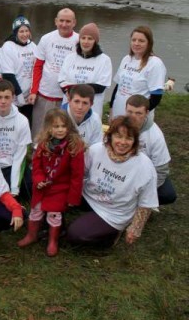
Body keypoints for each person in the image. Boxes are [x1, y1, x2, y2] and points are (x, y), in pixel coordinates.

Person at [67, 116, 158, 247]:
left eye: (128, 138)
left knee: (75, 235)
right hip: (89, 196)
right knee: (56, 197)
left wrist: (135, 228)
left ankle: (111, 237)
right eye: (118, 136)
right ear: (110, 136)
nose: (122, 142)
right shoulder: (97, 150)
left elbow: (146, 203)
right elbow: (79, 173)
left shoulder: (144, 166)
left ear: (135, 141)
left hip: (113, 212)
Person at [17, 109, 85, 256]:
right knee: (36, 211)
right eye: (56, 126)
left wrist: (73, 197)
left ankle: (53, 241)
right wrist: (39, 180)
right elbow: (37, 166)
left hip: (60, 188)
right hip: (42, 188)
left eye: (63, 126)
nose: (60, 130)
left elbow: (77, 175)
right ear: (48, 128)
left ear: (69, 127)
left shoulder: (74, 148)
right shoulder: (43, 145)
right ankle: (31, 235)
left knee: (54, 215)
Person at [30, 8, 79, 138]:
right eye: (61, 20)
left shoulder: (79, 41)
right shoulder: (46, 38)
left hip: (67, 98)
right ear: (55, 21)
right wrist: (34, 91)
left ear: (74, 23)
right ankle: (36, 155)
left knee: (62, 134)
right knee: (40, 133)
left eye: (68, 21)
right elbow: (38, 66)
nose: (64, 24)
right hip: (45, 94)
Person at [125, 95, 176, 205]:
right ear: (125, 110)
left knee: (168, 194)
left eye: (138, 113)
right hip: (122, 169)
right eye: (130, 112)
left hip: (145, 174)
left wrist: (144, 192)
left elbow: (161, 170)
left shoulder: (155, 136)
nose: (133, 117)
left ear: (147, 113)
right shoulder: (119, 126)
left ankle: (142, 203)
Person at [110, 26, 166, 119]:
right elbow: (118, 87)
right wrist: (111, 109)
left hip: (137, 118)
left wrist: (139, 115)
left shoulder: (155, 63)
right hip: (118, 114)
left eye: (141, 41)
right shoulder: (126, 59)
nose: (136, 43)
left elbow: (156, 96)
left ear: (149, 43)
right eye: (134, 40)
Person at [58, 22, 112, 117]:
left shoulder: (104, 60)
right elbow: (62, 81)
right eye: (83, 38)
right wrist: (72, 89)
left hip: (92, 109)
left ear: (95, 41)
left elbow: (100, 87)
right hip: (70, 106)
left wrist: (73, 88)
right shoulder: (70, 58)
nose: (86, 42)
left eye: (90, 39)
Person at [0, 15, 39, 123]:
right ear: (15, 32)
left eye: (27, 30)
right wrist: (19, 94)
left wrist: (33, 92)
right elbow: (8, 75)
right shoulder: (8, 46)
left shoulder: (33, 46)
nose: (25, 34)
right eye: (21, 31)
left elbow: (37, 70)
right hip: (15, 97)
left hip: (30, 97)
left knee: (28, 125)